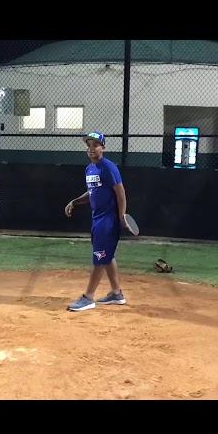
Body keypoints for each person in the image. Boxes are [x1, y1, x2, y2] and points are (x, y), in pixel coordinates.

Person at [64, 131, 128, 312]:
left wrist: (122, 216)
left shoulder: (108, 167)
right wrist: (75, 201)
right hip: (97, 219)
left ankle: (88, 297)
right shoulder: (89, 169)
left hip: (108, 221)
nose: (91, 149)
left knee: (100, 257)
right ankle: (116, 294)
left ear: (103, 148)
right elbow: (92, 192)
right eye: (89, 145)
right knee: (106, 255)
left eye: (95, 145)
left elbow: (121, 193)